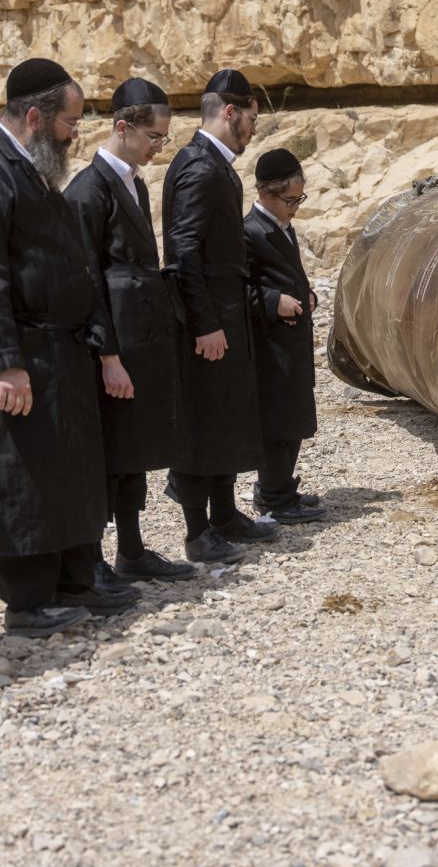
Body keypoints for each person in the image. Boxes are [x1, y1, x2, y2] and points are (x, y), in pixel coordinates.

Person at [0, 57, 137, 636]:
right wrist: (5, 364)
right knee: (20, 473)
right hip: (16, 352)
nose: (76, 134)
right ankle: (27, 600)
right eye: (70, 123)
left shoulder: (30, 168)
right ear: (34, 117)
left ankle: (74, 578)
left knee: (67, 466)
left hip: (56, 349)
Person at [62, 77, 195, 583]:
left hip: (140, 341)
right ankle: (92, 562)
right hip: (111, 346)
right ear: (123, 128)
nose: (159, 148)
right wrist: (108, 356)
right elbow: (87, 283)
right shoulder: (88, 192)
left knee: (134, 446)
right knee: (108, 453)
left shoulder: (134, 183)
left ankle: (133, 550)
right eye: (154, 138)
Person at [160, 68, 277, 564]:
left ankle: (224, 514)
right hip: (206, 316)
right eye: (251, 118)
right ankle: (196, 532)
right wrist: (205, 322)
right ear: (230, 113)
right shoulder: (201, 167)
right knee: (202, 419)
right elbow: (183, 251)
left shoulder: (214, 164)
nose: (253, 128)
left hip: (224, 309)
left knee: (226, 411)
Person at [243, 148, 325, 524]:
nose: (296, 207)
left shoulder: (280, 226)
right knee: (278, 422)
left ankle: (280, 488)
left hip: (291, 339)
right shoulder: (250, 232)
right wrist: (275, 302)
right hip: (270, 345)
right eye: (290, 200)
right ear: (265, 194)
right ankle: (275, 496)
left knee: (294, 417)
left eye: (299, 199)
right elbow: (238, 290)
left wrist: (307, 295)